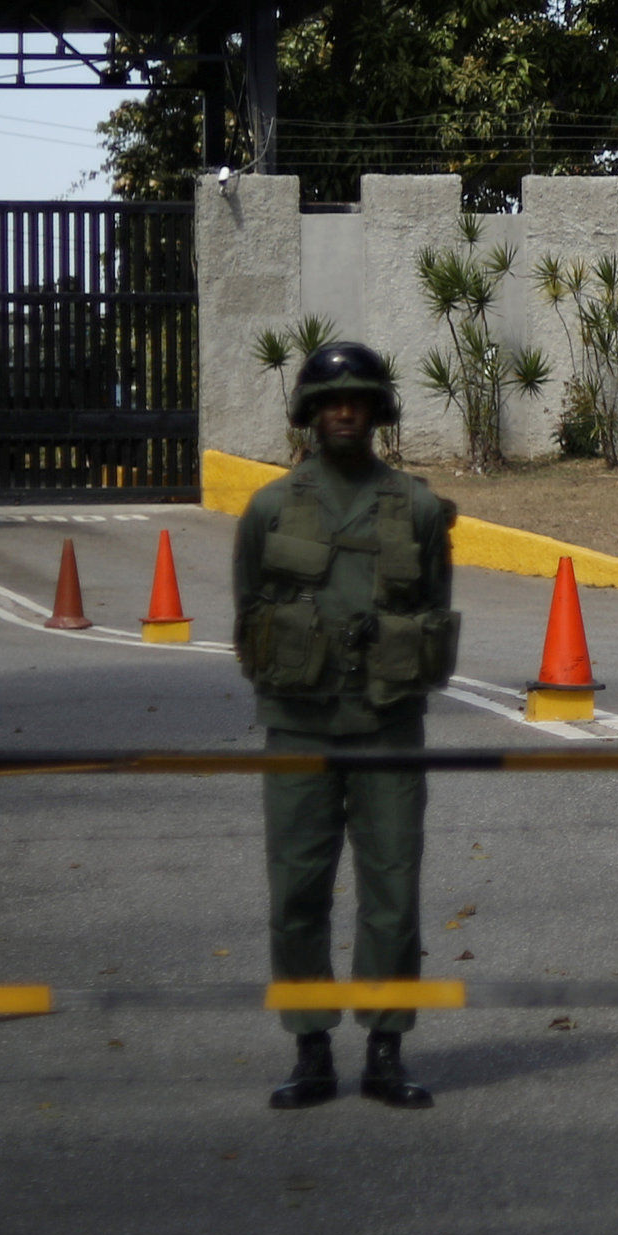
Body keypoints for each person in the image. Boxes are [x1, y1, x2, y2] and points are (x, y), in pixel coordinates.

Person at [231, 340, 460, 1112]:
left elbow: (432, 611)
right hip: (297, 729)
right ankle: (310, 1049)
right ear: (308, 411)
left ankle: (387, 1050)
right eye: (331, 400)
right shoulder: (269, 508)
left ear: (377, 411)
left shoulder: (419, 508)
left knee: (391, 892)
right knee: (297, 891)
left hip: (389, 727)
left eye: (357, 400)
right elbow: (248, 617)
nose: (343, 411)